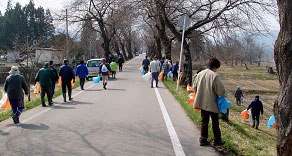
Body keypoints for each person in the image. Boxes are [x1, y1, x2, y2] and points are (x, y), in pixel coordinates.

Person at [193, 57, 227, 146]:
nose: (216, 70)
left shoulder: (200, 74)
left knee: (204, 121)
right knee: (215, 122)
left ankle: (203, 139)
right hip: (212, 102)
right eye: (217, 68)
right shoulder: (214, 76)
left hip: (202, 101)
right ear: (215, 66)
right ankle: (217, 140)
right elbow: (221, 91)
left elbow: (194, 87)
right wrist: (224, 96)